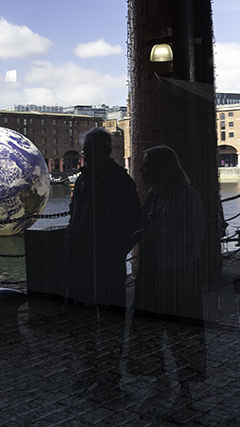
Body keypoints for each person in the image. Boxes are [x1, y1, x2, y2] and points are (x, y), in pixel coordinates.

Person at [128, 145, 207, 398]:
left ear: (162, 167)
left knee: (180, 328)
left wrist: (156, 236)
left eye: (147, 164)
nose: (142, 169)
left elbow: (196, 234)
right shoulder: (152, 194)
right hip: (153, 268)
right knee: (149, 325)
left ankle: (185, 381)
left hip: (178, 270)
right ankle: (158, 372)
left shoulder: (187, 196)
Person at [63, 127, 141, 309]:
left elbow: (134, 220)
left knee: (111, 310)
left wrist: (115, 250)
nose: (87, 156)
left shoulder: (120, 181)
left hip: (108, 260)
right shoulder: (83, 180)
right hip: (81, 258)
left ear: (106, 151)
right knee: (83, 312)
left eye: (92, 151)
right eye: (85, 152)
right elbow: (74, 217)